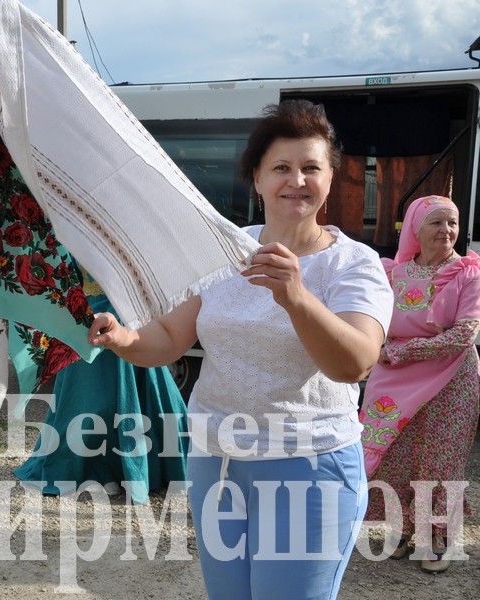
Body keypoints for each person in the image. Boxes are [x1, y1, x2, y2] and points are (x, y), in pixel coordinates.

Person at [89, 100, 393, 599]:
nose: (297, 180)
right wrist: (123, 338)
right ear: (256, 179)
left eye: (311, 168)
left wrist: (296, 297)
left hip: (308, 466)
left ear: (331, 180)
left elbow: (355, 362)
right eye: (281, 167)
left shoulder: (353, 263)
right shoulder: (223, 252)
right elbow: (168, 340)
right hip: (217, 462)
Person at [361, 195, 480, 573]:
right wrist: (374, 345)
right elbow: (369, 321)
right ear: (415, 227)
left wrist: (400, 351)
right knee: (394, 454)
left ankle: (436, 537)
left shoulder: (469, 272)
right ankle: (402, 527)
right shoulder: (390, 273)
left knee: (438, 458)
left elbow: (464, 334)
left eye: (452, 223)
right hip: (393, 380)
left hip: (451, 378)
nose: (447, 231)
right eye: (436, 222)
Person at [14, 276, 187, 503]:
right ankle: (103, 468)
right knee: (89, 397)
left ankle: (135, 468)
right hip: (89, 307)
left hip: (130, 311)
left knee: (125, 386)